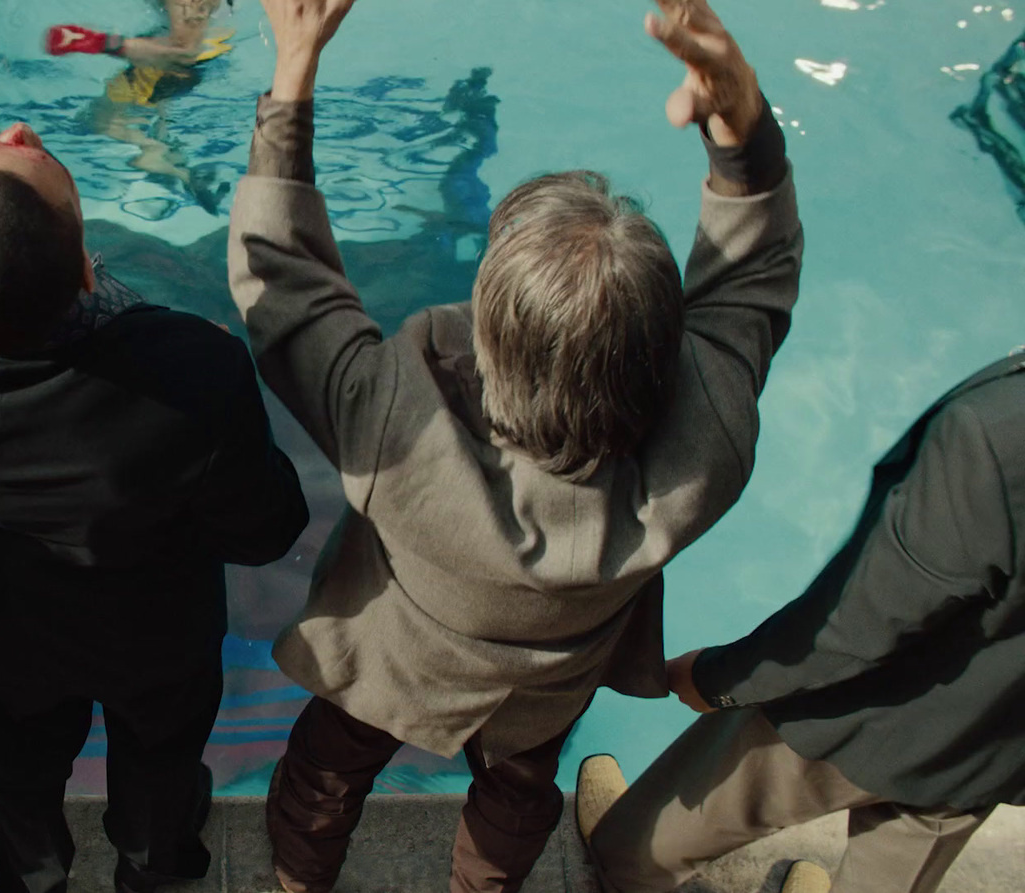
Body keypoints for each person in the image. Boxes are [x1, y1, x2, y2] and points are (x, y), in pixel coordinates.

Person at [227, 0, 801, 890]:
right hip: (547, 686)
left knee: (326, 767)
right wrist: (741, 127)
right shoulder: (706, 445)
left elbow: (276, 275)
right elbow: (755, 279)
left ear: (488, 334)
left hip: (392, 660)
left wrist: (294, 62)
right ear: (665, 349)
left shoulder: (391, 422)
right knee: (520, 793)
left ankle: (300, 883)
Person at [0, 1, 309, 892]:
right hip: (155, 638)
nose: (19, 124)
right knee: (160, 763)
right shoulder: (190, 372)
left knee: (19, 761)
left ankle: (33, 869)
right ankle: (152, 867)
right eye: (21, 153)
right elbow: (265, 530)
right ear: (86, 269)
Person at [579, 352, 1025, 893]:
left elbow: (861, 625)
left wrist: (719, 680)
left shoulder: (996, 434)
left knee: (645, 846)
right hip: (994, 741)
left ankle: (626, 858)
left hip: (860, 712)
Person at [57, 0, 235, 214]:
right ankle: (175, 164)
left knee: (101, 121)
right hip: (173, 70)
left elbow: (183, 51)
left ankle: (172, 165)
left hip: (166, 68)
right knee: (108, 119)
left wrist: (98, 43)